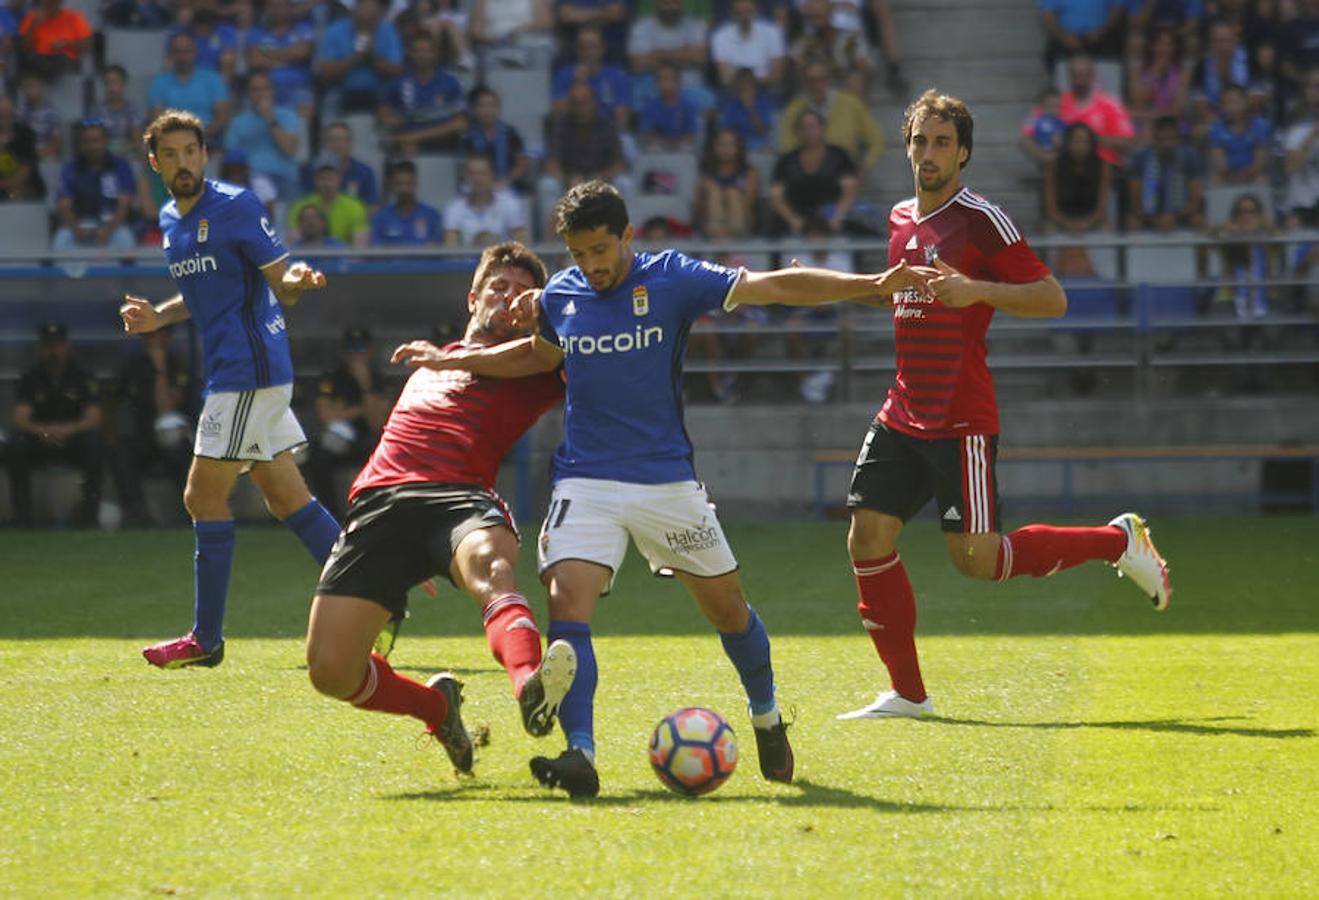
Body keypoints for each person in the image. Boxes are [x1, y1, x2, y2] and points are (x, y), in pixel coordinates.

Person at [480, 179, 909, 798]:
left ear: (627, 236)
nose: (592, 266)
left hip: (665, 481)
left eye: (601, 250)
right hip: (584, 478)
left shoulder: (672, 278)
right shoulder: (560, 296)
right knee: (566, 606)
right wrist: (455, 359)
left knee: (728, 610)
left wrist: (868, 285)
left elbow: (773, 284)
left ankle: (765, 717)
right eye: (578, 255)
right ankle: (581, 755)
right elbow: (540, 357)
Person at [833, 90, 1172, 722]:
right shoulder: (900, 218)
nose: (928, 154)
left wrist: (974, 290)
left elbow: (1051, 297)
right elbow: (912, 303)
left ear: (963, 152)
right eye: (919, 141)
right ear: (906, 146)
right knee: (866, 537)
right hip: (902, 410)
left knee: (978, 562)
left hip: (961, 418)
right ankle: (909, 694)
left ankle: (1114, 542)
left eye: (941, 143)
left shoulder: (983, 218)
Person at [305, 241, 576, 776]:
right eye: (499, 287)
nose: (509, 297)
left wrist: (542, 317)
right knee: (330, 671)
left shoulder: (535, 362)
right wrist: (403, 556)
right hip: (382, 506)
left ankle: (531, 687)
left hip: (460, 499)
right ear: (473, 298)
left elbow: (556, 350)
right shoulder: (427, 362)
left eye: (524, 293)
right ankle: (437, 707)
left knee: (494, 572)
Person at [119, 109, 341, 669]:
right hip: (236, 373)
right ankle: (379, 594)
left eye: (190, 152)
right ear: (155, 163)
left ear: (204, 154)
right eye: (169, 155)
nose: (182, 162)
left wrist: (299, 281)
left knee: (201, 496)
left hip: (249, 371)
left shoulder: (237, 205)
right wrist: (157, 319)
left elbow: (281, 284)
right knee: (287, 498)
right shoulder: (171, 220)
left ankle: (206, 640)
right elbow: (199, 298)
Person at [7, 322, 104, 527]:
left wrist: (68, 430)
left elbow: (94, 417)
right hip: (39, 440)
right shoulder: (31, 378)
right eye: (49, 345)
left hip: (72, 439)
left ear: (66, 346)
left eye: (57, 345)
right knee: (16, 446)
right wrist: (43, 431)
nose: (53, 351)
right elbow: (20, 418)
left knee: (95, 444)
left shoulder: (81, 377)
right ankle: (23, 516)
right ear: (41, 348)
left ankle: (89, 515)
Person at [109, 326, 194, 527]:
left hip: (172, 437)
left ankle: (191, 512)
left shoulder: (177, 365)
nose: (151, 340)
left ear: (166, 337)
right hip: (141, 434)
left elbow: (165, 407)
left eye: (156, 334)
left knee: (181, 454)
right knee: (121, 453)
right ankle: (137, 515)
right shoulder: (133, 365)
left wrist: (159, 367)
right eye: (147, 335)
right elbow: (113, 403)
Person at [304, 326, 388, 520]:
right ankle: (330, 514)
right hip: (340, 438)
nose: (356, 356)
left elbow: (377, 422)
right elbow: (325, 415)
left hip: (369, 437)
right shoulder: (333, 376)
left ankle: (376, 513)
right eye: (352, 350)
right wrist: (362, 409)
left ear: (370, 351)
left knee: (384, 454)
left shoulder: (377, 378)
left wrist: (364, 384)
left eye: (361, 350)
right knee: (318, 456)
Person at [52, 120, 138, 254]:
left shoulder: (120, 166)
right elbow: (64, 205)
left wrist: (108, 231)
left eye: (96, 141)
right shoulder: (70, 168)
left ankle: (126, 275)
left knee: (125, 237)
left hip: (113, 226)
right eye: (87, 141)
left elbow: (124, 204)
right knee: (62, 239)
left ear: (105, 141)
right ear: (81, 144)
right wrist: (76, 229)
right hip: (79, 225)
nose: (92, 146)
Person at [222, 71, 302, 202]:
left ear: (273, 91)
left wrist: (270, 119)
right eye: (255, 90)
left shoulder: (288, 116)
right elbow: (232, 158)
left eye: (266, 89)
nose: (261, 94)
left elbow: (289, 150)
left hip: (284, 176)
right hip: (252, 178)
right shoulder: (238, 122)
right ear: (249, 94)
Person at [148, 32, 233, 142]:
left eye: (187, 51)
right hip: (172, 143)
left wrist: (198, 137)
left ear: (196, 53)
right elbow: (157, 119)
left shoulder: (213, 79)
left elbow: (222, 117)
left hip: (208, 142)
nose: (183, 56)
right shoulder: (159, 83)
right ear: (170, 54)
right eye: (178, 52)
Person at [1126, 114, 1204, 231]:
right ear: (1154, 140)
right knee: (1132, 223)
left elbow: (1195, 200)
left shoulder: (1190, 156)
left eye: (1171, 139)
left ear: (1178, 139)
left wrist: (1175, 216)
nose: (1166, 144)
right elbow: (1136, 203)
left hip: (1181, 215)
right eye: (1161, 140)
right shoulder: (1140, 157)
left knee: (1198, 221)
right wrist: (1155, 219)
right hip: (1149, 216)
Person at [442, 154, 529, 245]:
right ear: (465, 176)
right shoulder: (454, 208)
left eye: (483, 173)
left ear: (492, 175)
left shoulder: (509, 204)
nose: (478, 179)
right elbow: (451, 249)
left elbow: (521, 245)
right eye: (473, 173)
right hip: (467, 259)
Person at [290, 154, 371, 247]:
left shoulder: (355, 207)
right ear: (315, 180)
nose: (326, 183)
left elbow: (359, 249)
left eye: (330, 177)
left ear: (340, 178)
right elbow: (294, 246)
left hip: (343, 259)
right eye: (322, 178)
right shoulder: (300, 206)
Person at [371, 159, 443, 245]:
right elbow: (376, 253)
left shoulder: (432, 216)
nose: (404, 189)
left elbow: (438, 251)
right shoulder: (381, 217)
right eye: (398, 184)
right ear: (392, 186)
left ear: (416, 185)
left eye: (408, 184)